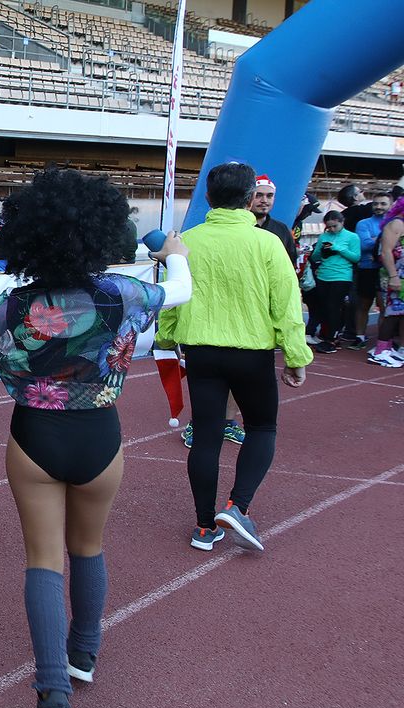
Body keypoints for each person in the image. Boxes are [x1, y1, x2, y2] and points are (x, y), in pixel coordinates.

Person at [0, 168, 196, 708]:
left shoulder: (18, 302)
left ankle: (52, 693)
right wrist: (175, 254)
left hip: (35, 437)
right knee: (88, 547)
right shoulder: (122, 293)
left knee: (43, 559)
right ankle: (85, 654)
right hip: (101, 436)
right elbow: (181, 291)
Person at [158, 161, 310, 554]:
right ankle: (237, 507)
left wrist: (166, 337)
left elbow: (173, 295)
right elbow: (287, 304)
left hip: (202, 352)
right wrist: (296, 355)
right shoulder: (267, 243)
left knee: (206, 436)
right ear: (249, 198)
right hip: (252, 353)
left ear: (208, 197)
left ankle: (204, 526)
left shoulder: (187, 242)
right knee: (262, 428)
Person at [308, 210, 361, 354]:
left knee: (334, 307)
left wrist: (338, 248)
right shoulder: (324, 236)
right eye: (328, 227)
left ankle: (332, 338)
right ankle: (326, 335)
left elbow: (356, 257)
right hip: (324, 275)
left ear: (342, 222)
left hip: (342, 276)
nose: (331, 229)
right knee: (323, 307)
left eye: (334, 226)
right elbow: (315, 256)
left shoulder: (352, 237)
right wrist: (321, 250)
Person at [353, 191, 393, 349]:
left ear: (391, 205)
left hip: (386, 270)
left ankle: (382, 342)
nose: (378, 207)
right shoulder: (363, 223)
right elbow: (364, 245)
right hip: (367, 269)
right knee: (364, 304)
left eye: (383, 204)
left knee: (384, 307)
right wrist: (384, 239)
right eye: (375, 203)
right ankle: (359, 337)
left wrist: (376, 240)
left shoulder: (395, 223)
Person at [368, 198, 404, 367]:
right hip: (396, 275)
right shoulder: (396, 224)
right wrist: (393, 276)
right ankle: (381, 350)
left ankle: (395, 349)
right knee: (392, 313)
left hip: (399, 274)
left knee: (400, 314)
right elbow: (386, 252)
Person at [249, 175, 298, 265]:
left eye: (269, 196)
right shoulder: (238, 227)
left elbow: (290, 262)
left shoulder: (282, 229)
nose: (264, 200)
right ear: (248, 197)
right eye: (258, 195)